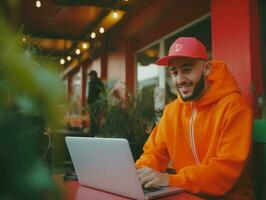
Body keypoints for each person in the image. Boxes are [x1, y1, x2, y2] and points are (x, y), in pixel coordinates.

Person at [135, 37, 255, 199]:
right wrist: (140, 173)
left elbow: (225, 170)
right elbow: (153, 154)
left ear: (206, 69)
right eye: (174, 73)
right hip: (187, 193)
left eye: (187, 69)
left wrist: (171, 179)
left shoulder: (234, 107)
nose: (180, 80)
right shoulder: (171, 111)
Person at [87, 70, 105, 137]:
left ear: (93, 75)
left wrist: (98, 103)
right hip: (92, 103)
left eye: (90, 76)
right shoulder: (92, 82)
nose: (90, 77)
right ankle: (93, 133)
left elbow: (102, 93)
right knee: (92, 118)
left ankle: (95, 133)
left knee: (95, 118)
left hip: (96, 104)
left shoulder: (98, 83)